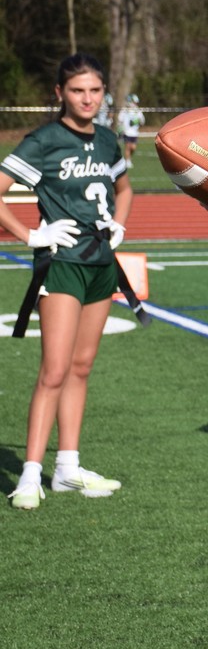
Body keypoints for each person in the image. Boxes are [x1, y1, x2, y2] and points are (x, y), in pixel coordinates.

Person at [0, 54, 133, 510]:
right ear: (60, 93)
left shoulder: (107, 139)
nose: (88, 99)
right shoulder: (44, 140)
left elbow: (125, 188)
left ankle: (67, 470)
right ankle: (31, 474)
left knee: (81, 367)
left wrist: (120, 223)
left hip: (101, 264)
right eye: (78, 90)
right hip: (60, 265)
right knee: (54, 370)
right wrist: (31, 234)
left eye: (95, 90)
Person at [116, 93, 145, 168]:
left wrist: (137, 121)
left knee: (133, 147)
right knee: (128, 146)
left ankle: (128, 159)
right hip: (127, 132)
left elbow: (142, 121)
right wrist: (120, 129)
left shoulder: (137, 110)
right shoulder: (125, 110)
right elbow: (120, 120)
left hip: (134, 133)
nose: (134, 104)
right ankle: (127, 161)